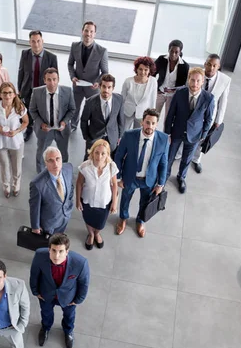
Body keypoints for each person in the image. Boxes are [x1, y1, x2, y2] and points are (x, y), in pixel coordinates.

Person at [30, 233, 90, 348]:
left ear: (67, 251)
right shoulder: (39, 255)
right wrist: (36, 292)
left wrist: (77, 300)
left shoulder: (80, 263)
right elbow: (34, 275)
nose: (56, 256)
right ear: (49, 249)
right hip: (46, 294)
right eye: (53, 250)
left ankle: (68, 331)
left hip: (69, 297)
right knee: (46, 313)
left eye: (61, 251)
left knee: (69, 315)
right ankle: (46, 328)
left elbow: (84, 283)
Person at [115, 109, 169, 238]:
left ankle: (140, 220)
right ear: (142, 122)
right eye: (147, 122)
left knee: (145, 202)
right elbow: (118, 156)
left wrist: (161, 183)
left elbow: (163, 163)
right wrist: (118, 177)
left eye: (153, 123)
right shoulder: (129, 135)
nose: (150, 126)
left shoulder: (164, 139)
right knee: (125, 199)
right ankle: (123, 218)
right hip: (130, 177)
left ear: (156, 124)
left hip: (149, 179)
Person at [164, 67, 215, 193]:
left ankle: (181, 177)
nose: (195, 84)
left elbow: (209, 119)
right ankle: (164, 176)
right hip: (177, 131)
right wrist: (167, 133)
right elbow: (171, 114)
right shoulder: (180, 93)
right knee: (169, 156)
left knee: (187, 159)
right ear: (188, 80)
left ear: (202, 81)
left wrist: (203, 134)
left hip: (194, 135)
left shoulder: (209, 98)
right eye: (192, 80)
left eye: (198, 81)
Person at [29, 67, 76, 173]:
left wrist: (64, 122)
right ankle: (41, 175)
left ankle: (62, 173)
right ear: (44, 80)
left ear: (58, 79)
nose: (52, 82)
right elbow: (32, 110)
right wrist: (41, 124)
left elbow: (72, 109)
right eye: (49, 79)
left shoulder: (68, 91)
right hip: (45, 130)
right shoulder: (36, 92)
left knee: (63, 153)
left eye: (54, 79)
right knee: (41, 154)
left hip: (62, 130)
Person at [0, 82, 28, 198]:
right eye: (5, 93)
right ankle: (6, 187)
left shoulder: (19, 107)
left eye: (10, 92)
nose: (7, 95)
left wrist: (17, 131)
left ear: (14, 94)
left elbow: (26, 122)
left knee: (17, 166)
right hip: (0, 142)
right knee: (4, 166)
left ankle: (16, 185)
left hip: (16, 142)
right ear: (0, 94)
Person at [191, 53, 231, 173]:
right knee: (188, 133)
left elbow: (223, 102)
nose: (211, 68)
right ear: (205, 64)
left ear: (218, 66)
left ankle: (196, 159)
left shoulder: (225, 80)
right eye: (209, 64)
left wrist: (218, 120)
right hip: (193, 112)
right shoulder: (197, 74)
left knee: (203, 138)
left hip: (209, 116)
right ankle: (180, 154)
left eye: (214, 65)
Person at [76, 139, 118, 250]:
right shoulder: (85, 166)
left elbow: (114, 185)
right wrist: (77, 200)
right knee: (88, 220)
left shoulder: (111, 167)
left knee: (100, 223)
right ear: (92, 152)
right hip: (87, 200)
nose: (99, 156)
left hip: (104, 202)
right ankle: (91, 234)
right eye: (97, 152)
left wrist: (114, 202)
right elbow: (79, 183)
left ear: (107, 154)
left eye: (103, 153)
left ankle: (97, 233)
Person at [17, 30, 58, 142]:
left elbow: (55, 77)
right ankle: (29, 128)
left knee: (43, 110)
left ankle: (43, 130)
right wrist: (20, 89)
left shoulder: (51, 57)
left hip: (43, 90)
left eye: (38, 41)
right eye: (33, 41)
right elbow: (21, 72)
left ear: (42, 41)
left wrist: (53, 91)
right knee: (29, 110)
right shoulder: (25, 54)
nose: (36, 44)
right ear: (29, 42)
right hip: (28, 89)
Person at [67, 21, 109, 131]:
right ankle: (73, 125)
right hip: (77, 85)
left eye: (91, 31)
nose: (88, 34)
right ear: (82, 31)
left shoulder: (102, 51)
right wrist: (72, 77)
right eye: (86, 30)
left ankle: (92, 128)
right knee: (74, 107)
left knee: (93, 110)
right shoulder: (74, 46)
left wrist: (98, 82)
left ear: (94, 34)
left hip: (92, 87)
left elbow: (105, 72)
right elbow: (70, 64)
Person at [29, 146, 74, 235]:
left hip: (65, 216)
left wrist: (69, 204)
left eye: (58, 159)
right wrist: (35, 226)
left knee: (60, 236)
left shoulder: (68, 168)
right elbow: (34, 207)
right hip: (49, 223)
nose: (55, 163)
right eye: (51, 160)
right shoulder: (37, 184)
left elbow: (71, 187)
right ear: (45, 163)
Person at [80, 74, 124, 160]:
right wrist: (87, 138)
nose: (106, 90)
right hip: (94, 138)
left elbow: (121, 120)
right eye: (104, 87)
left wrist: (119, 136)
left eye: (109, 87)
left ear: (113, 88)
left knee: (110, 162)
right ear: (100, 86)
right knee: (89, 161)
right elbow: (84, 120)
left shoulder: (119, 99)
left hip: (112, 138)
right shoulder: (90, 102)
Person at [121, 56, 157, 130]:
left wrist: (152, 115)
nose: (143, 72)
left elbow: (153, 99)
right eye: (140, 69)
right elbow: (122, 98)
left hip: (142, 113)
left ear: (150, 70)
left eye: (146, 70)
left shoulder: (153, 81)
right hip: (127, 111)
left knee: (138, 134)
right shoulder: (128, 81)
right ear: (136, 69)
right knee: (122, 132)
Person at [154, 40, 189, 116]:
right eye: (171, 51)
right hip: (160, 92)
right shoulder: (161, 59)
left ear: (180, 52)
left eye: (176, 52)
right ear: (168, 50)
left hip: (173, 95)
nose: (173, 54)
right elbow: (152, 73)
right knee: (153, 116)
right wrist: (155, 89)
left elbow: (183, 85)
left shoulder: (184, 66)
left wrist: (172, 91)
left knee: (168, 119)